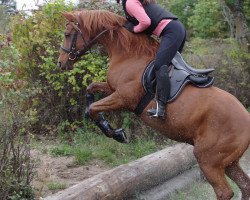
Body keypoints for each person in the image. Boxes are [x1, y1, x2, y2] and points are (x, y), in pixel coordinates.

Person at [117, 0, 186, 119]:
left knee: (160, 65)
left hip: (172, 31)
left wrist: (134, 29)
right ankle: (172, 101)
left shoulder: (129, 2)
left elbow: (145, 22)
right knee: (166, 66)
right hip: (175, 29)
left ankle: (161, 108)